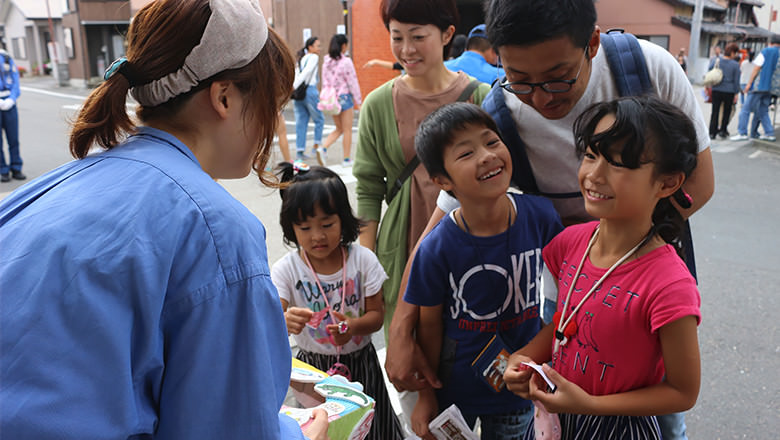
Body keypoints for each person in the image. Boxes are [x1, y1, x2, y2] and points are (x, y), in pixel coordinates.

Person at [385, 2, 714, 439]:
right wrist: (402, 329)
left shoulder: (646, 70)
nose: (540, 98)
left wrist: (626, 252)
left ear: (591, 43)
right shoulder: (501, 112)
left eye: (559, 78)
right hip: (575, 290)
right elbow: (444, 222)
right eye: (521, 81)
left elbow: (698, 185)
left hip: (635, 290)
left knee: (660, 417)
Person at [0, 1, 328, 439]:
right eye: (272, 103)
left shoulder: (46, 189)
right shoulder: (215, 230)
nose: (273, 124)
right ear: (225, 96)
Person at [504, 95, 701, 439]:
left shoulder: (669, 284)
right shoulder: (570, 243)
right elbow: (567, 323)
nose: (594, 175)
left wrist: (591, 405)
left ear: (667, 183)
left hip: (620, 427)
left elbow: (683, 391)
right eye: (591, 156)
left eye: (619, 164)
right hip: (559, 418)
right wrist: (522, 357)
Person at [404, 102, 563, 438]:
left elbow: (565, 299)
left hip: (516, 390)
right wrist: (427, 394)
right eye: (466, 153)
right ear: (442, 180)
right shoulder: (436, 249)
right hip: (455, 391)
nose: (487, 156)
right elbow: (429, 327)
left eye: (492, 142)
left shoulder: (541, 217)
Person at [353, 0, 490, 336]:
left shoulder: (481, 97)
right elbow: (369, 189)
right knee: (408, 357)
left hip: (473, 247)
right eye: (396, 37)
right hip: (402, 248)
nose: (406, 49)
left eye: (417, 37)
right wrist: (365, 268)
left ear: (447, 34)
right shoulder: (378, 104)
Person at [271, 163, 404, 440]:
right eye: (305, 227)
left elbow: (377, 315)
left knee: (372, 428)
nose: (317, 236)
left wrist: (353, 327)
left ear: (343, 219)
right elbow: (271, 320)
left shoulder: (362, 260)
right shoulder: (287, 270)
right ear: (291, 228)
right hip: (312, 372)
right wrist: (284, 320)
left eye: (327, 224)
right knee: (321, 431)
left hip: (361, 364)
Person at [319, 34, 362, 167]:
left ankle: (323, 147)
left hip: (331, 99)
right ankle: (347, 159)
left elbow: (324, 81)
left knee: (339, 128)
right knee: (347, 129)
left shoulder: (326, 62)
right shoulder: (346, 62)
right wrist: (358, 100)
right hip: (344, 97)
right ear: (343, 46)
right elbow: (352, 82)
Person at [732, 34, 780, 142]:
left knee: (745, 109)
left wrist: (749, 83)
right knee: (763, 110)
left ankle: (742, 132)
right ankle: (769, 133)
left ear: (771, 42)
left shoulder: (766, 51)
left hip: (760, 85)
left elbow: (756, 67)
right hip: (773, 88)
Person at [293, 36, 325, 161]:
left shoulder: (301, 58)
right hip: (310, 91)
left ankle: (300, 152)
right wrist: (294, 86)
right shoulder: (314, 57)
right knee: (319, 120)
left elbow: (297, 73)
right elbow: (307, 72)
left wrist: (294, 87)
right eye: (318, 46)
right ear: (310, 47)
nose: (320, 48)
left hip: (299, 93)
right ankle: (315, 148)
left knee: (301, 122)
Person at [708, 42, 740, 140]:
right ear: (733, 53)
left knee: (715, 111)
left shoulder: (716, 60)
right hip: (729, 91)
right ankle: (722, 131)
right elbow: (736, 80)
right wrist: (736, 92)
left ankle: (712, 133)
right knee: (726, 111)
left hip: (716, 89)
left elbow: (709, 71)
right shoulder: (735, 64)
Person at [0, 46, 23, 182]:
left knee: (13, 138)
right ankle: (3, 169)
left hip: (9, 102)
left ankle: (16, 167)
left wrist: (12, 99)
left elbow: (15, 80)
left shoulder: (6, 57)